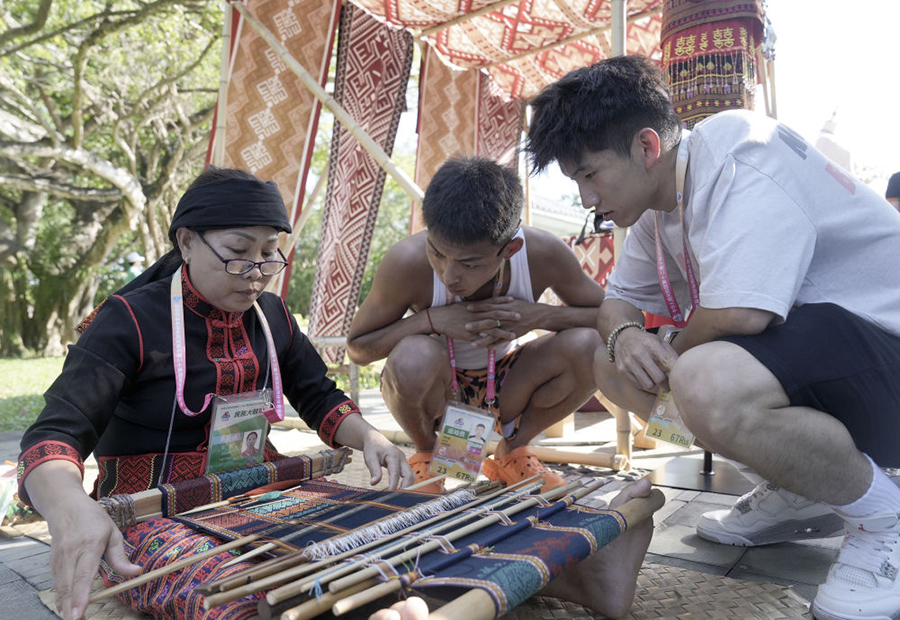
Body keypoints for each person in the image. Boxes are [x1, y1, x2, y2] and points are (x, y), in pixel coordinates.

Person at [525, 55, 900, 620]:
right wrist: (626, 335)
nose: (586, 200)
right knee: (610, 362)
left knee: (703, 378)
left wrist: (668, 350)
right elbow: (615, 306)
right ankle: (800, 484)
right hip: (836, 356)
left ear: (647, 147)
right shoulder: (657, 208)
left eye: (589, 175)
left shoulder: (741, 152)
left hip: (886, 348)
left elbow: (741, 313)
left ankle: (885, 520)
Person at [17, 167, 414, 620]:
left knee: (391, 538)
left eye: (269, 255)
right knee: (244, 591)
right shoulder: (127, 321)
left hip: (266, 489)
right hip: (152, 511)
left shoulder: (272, 314)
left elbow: (317, 393)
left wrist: (370, 439)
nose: (256, 274)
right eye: (238, 253)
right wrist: (70, 506)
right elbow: (54, 434)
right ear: (186, 242)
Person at [347, 156, 604, 492]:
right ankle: (427, 455)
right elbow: (358, 349)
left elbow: (612, 317)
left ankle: (512, 452)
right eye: (437, 253)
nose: (449, 275)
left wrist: (539, 316)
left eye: (469, 263)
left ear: (510, 249)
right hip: (440, 391)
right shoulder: (406, 261)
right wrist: (431, 320)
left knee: (590, 346)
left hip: (509, 383)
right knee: (412, 357)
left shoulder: (543, 253)